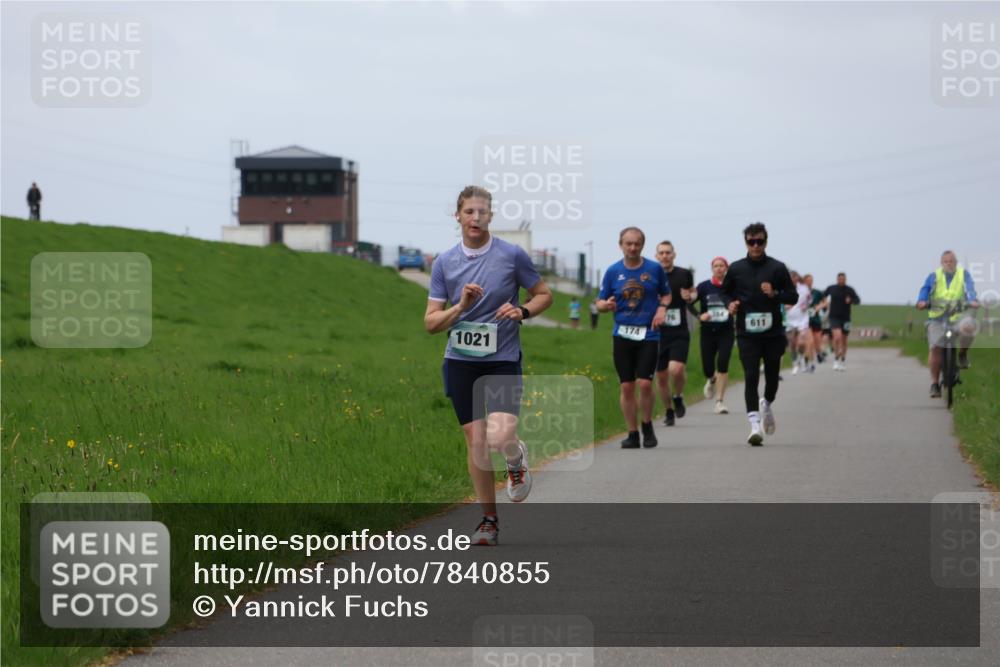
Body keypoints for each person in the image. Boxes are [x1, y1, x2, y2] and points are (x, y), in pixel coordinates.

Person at [425, 185, 553, 546]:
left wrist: (523, 310)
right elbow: (431, 323)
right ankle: (488, 521)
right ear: (458, 217)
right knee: (477, 441)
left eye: (482, 212)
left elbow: (544, 294)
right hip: (460, 361)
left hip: (502, 358)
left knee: (499, 437)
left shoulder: (512, 255)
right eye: (469, 212)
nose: (476, 218)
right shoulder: (445, 263)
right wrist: (460, 306)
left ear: (491, 216)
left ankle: (515, 457)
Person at [722, 222, 798, 446]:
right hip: (746, 332)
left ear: (766, 241)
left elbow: (792, 297)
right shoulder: (736, 268)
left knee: (772, 378)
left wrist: (775, 293)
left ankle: (767, 403)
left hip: (773, 333)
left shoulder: (777, 267)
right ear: (745, 242)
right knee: (751, 375)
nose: (755, 246)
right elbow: (725, 293)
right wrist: (730, 304)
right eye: (751, 241)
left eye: (760, 241)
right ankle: (754, 426)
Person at [596, 227, 671, 449]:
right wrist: (604, 306)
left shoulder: (654, 269)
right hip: (622, 334)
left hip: (648, 333)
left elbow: (666, 293)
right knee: (627, 387)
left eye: (637, 243)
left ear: (642, 245)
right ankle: (632, 433)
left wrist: (662, 309)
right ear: (621, 245)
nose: (632, 247)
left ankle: (647, 425)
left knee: (646, 384)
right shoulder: (612, 271)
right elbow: (599, 301)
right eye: (628, 243)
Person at [916, 250, 980, 398]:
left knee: (969, 327)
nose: (948, 264)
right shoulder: (934, 276)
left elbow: (970, 289)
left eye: (951, 261)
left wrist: (972, 300)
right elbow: (925, 290)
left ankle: (962, 354)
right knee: (935, 348)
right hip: (937, 318)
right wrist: (922, 301)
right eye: (945, 261)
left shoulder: (963, 275)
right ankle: (934, 384)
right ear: (941, 263)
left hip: (958, 317)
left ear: (956, 263)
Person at [654, 241, 695, 426]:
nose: (665, 256)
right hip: (657, 333)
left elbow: (692, 294)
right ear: (656, 256)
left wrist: (690, 297)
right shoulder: (651, 276)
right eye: (661, 253)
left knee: (676, 369)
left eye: (668, 253)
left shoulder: (684, 274)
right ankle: (668, 410)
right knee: (661, 377)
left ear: (674, 255)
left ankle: (678, 396)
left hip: (679, 331)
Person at [695, 256, 734, 414]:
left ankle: (720, 401)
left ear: (726, 268)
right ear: (712, 269)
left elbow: (740, 301)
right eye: (716, 266)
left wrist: (735, 307)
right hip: (707, 332)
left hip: (726, 331)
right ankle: (711, 380)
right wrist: (699, 316)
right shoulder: (704, 287)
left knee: (723, 363)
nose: (718, 268)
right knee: (708, 368)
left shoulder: (732, 287)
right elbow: (688, 303)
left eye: (721, 266)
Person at [823, 273, 861, 371]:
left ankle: (842, 361)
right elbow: (823, 296)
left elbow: (858, 300)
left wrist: (851, 300)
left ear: (845, 280)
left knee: (844, 340)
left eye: (843, 279)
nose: (841, 280)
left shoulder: (849, 290)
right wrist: (825, 304)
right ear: (837, 279)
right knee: (837, 337)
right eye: (840, 279)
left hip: (846, 318)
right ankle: (836, 360)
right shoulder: (831, 288)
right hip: (834, 317)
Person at [785, 271, 816, 374]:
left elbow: (810, 300)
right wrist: (784, 306)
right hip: (789, 320)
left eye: (795, 278)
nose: (793, 280)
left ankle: (802, 357)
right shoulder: (783, 288)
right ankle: (795, 362)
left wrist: (805, 306)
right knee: (792, 344)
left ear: (797, 278)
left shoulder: (804, 288)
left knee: (801, 342)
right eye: (791, 278)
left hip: (802, 320)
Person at [803, 274, 827, 363]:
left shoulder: (817, 292)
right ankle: (808, 360)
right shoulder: (801, 292)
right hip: (805, 320)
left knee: (817, 342)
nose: (809, 282)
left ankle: (819, 354)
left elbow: (825, 302)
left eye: (811, 280)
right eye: (808, 280)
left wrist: (819, 307)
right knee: (810, 341)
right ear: (804, 281)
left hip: (816, 319)